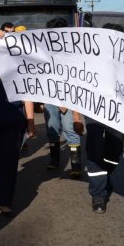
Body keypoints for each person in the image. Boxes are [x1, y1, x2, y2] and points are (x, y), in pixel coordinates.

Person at [0, 27, 36, 217]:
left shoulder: (21, 64)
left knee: (9, 161)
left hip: (13, 120)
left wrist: (30, 121)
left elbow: (28, 94)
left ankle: (5, 201)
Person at [84, 23, 124, 213]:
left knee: (114, 153)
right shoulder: (89, 60)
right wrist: (77, 115)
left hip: (119, 116)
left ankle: (104, 177)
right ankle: (98, 195)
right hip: (94, 113)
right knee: (94, 151)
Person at [43, 17, 82, 177]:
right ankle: (54, 160)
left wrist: (76, 114)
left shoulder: (74, 55)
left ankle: (75, 164)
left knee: (70, 130)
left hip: (69, 99)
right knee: (52, 129)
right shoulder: (42, 53)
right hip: (50, 99)